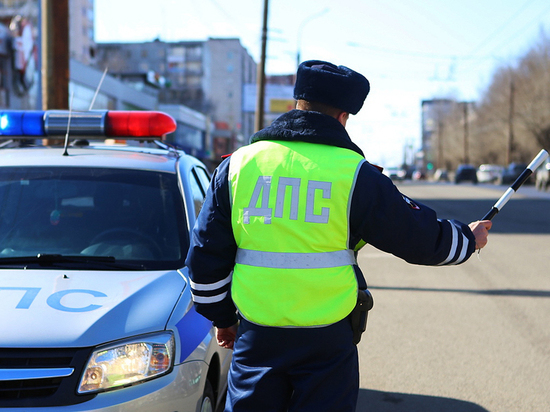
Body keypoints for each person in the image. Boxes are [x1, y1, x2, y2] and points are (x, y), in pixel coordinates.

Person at [186, 60, 491, 412]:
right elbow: (416, 236)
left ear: (297, 103)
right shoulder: (355, 175)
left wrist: (223, 318)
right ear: (344, 116)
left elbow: (205, 257)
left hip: (256, 336)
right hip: (328, 341)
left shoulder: (238, 166)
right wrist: (467, 239)